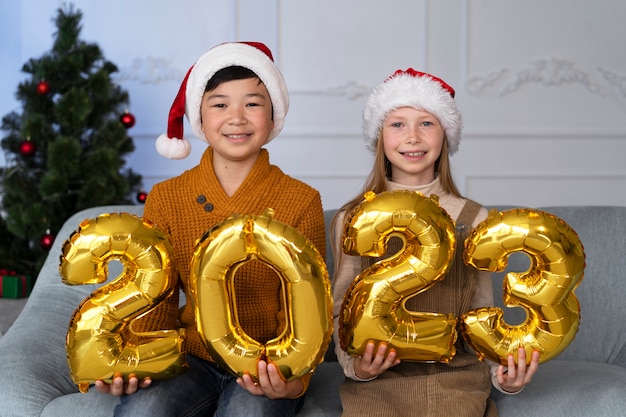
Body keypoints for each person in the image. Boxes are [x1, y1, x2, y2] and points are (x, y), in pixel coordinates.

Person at [95, 41, 326, 417]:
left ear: (273, 116)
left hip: (266, 364)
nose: (237, 117)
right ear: (199, 119)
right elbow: (155, 298)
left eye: (252, 103)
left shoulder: (301, 200)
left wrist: (296, 378)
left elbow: (309, 308)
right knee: (143, 411)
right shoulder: (168, 197)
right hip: (193, 359)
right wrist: (132, 359)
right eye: (220, 104)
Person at [330, 68, 540, 417]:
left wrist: (504, 378)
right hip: (379, 381)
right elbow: (340, 309)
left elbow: (481, 313)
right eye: (397, 124)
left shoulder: (474, 218)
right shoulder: (353, 217)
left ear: (446, 135)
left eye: (426, 123)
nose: (412, 137)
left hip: (455, 379)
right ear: (379, 136)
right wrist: (357, 368)